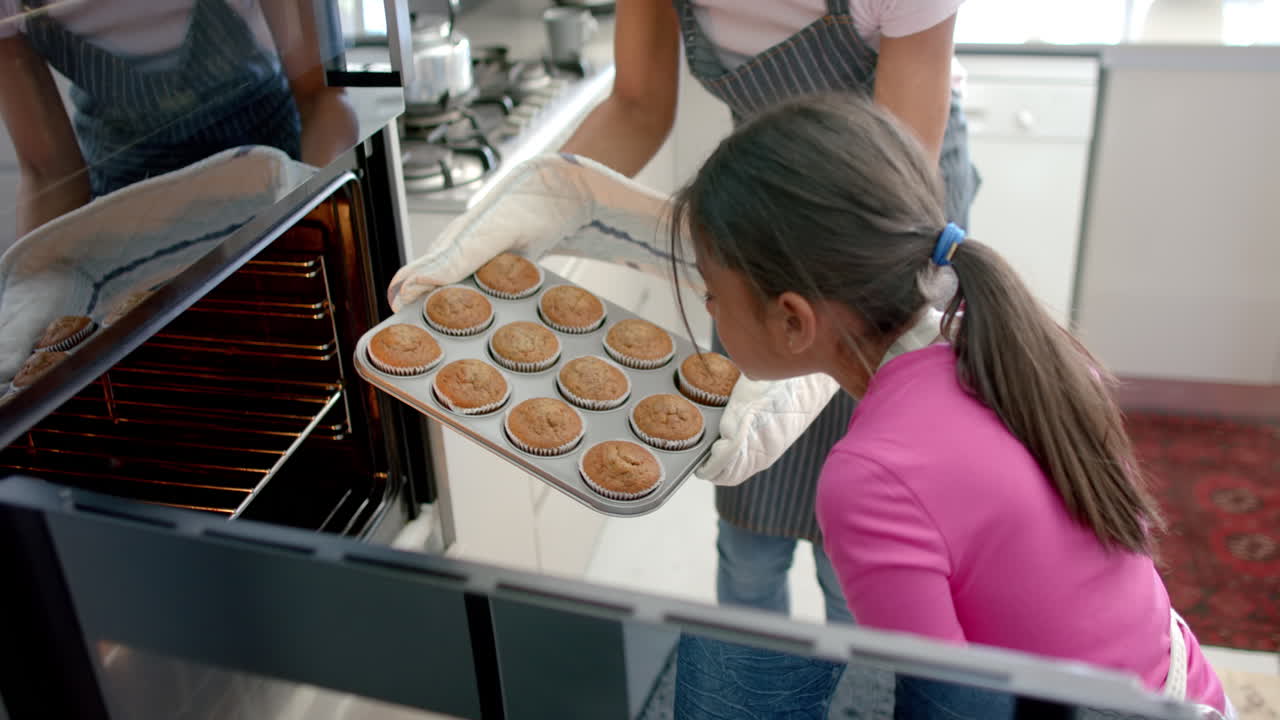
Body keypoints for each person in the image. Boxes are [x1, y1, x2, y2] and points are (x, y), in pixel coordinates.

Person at [668, 92, 1233, 719]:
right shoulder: (1010, 344)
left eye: (711, 289)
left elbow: (952, 708)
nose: (709, 309)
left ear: (793, 319)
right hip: (1189, 692)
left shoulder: (868, 479)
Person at [558, 0, 978, 639]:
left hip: (886, 226)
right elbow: (637, 106)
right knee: (751, 518)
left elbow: (892, 173)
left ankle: (858, 684)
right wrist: (545, 199)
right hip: (758, 213)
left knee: (859, 536)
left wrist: (812, 352)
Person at [0, 0, 358, 237]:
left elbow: (322, 100)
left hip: (277, 177)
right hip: (127, 210)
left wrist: (310, 221)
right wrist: (31, 290)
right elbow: (50, 174)